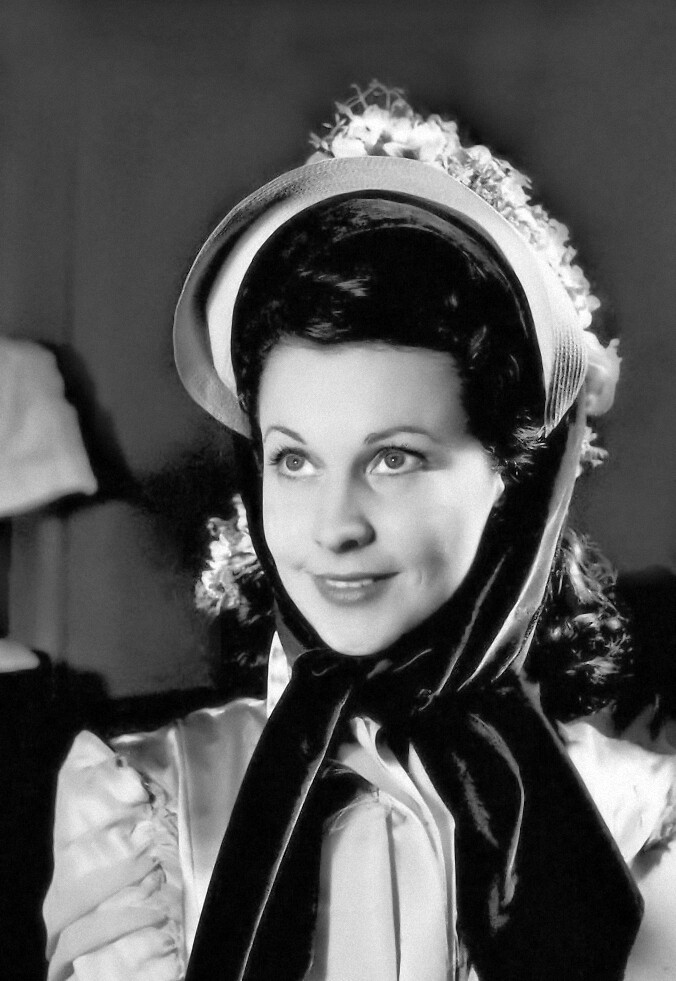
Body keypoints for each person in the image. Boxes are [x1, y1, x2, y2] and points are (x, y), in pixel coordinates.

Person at [43, 83, 676, 981]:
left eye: (395, 458)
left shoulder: (638, 825)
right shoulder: (144, 804)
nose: (335, 526)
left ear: (513, 473)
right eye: (295, 459)